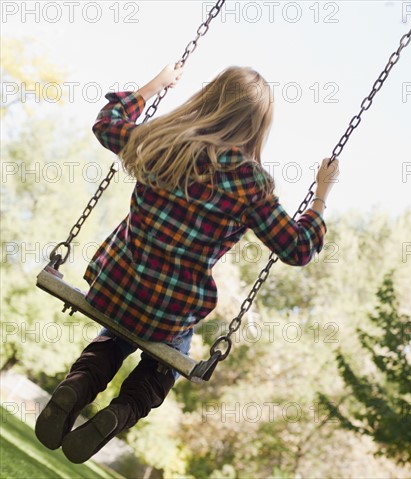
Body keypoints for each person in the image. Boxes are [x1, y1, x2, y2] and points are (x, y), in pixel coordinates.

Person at [35, 64, 339, 463]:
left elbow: (107, 122)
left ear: (210, 97)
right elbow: (298, 248)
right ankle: (121, 412)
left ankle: (78, 384)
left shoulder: (162, 141)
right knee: (168, 355)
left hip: (112, 287)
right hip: (169, 314)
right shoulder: (249, 183)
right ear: (256, 126)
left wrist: (157, 84)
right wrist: (320, 195)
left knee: (117, 334)